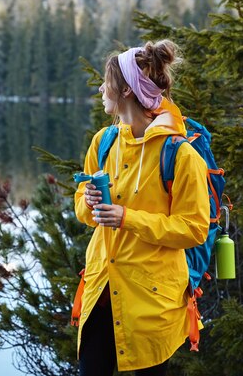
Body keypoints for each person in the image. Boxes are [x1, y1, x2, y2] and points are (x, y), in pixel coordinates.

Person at [73, 40, 211, 376]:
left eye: (109, 82)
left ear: (126, 92)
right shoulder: (103, 142)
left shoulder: (180, 155)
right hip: (100, 292)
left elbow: (194, 229)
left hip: (152, 304)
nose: (102, 88)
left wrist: (127, 218)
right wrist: (89, 203)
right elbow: (81, 209)